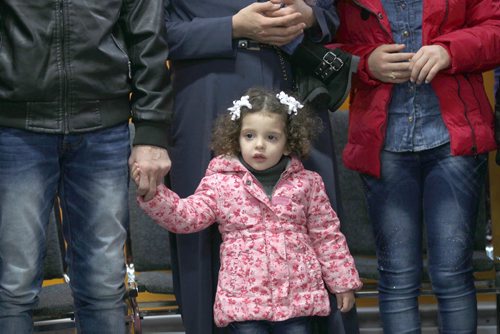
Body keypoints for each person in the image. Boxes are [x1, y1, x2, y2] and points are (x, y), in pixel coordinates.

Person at [163, 0, 360, 333]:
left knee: (313, 214)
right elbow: (152, 34)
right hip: (205, 83)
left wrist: (308, 15)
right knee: (200, 236)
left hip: (289, 80)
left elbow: (330, 16)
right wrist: (231, 27)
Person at [0, 1, 171, 332]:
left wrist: (151, 130)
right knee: (12, 284)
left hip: (103, 125)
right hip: (15, 125)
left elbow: (148, 36)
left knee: (104, 284)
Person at [330, 1, 500, 332]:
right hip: (384, 141)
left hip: (454, 138)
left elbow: (495, 29)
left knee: (453, 273)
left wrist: (448, 51)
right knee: (396, 277)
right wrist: (365, 62)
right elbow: (319, 42)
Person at [134, 87, 362, 333]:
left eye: (271, 137)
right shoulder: (221, 181)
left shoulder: (307, 183)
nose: (260, 145)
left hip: (297, 299)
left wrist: (342, 283)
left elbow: (327, 236)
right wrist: (153, 194)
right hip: (244, 303)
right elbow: (187, 216)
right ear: (236, 139)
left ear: (288, 144)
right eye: (250, 135)